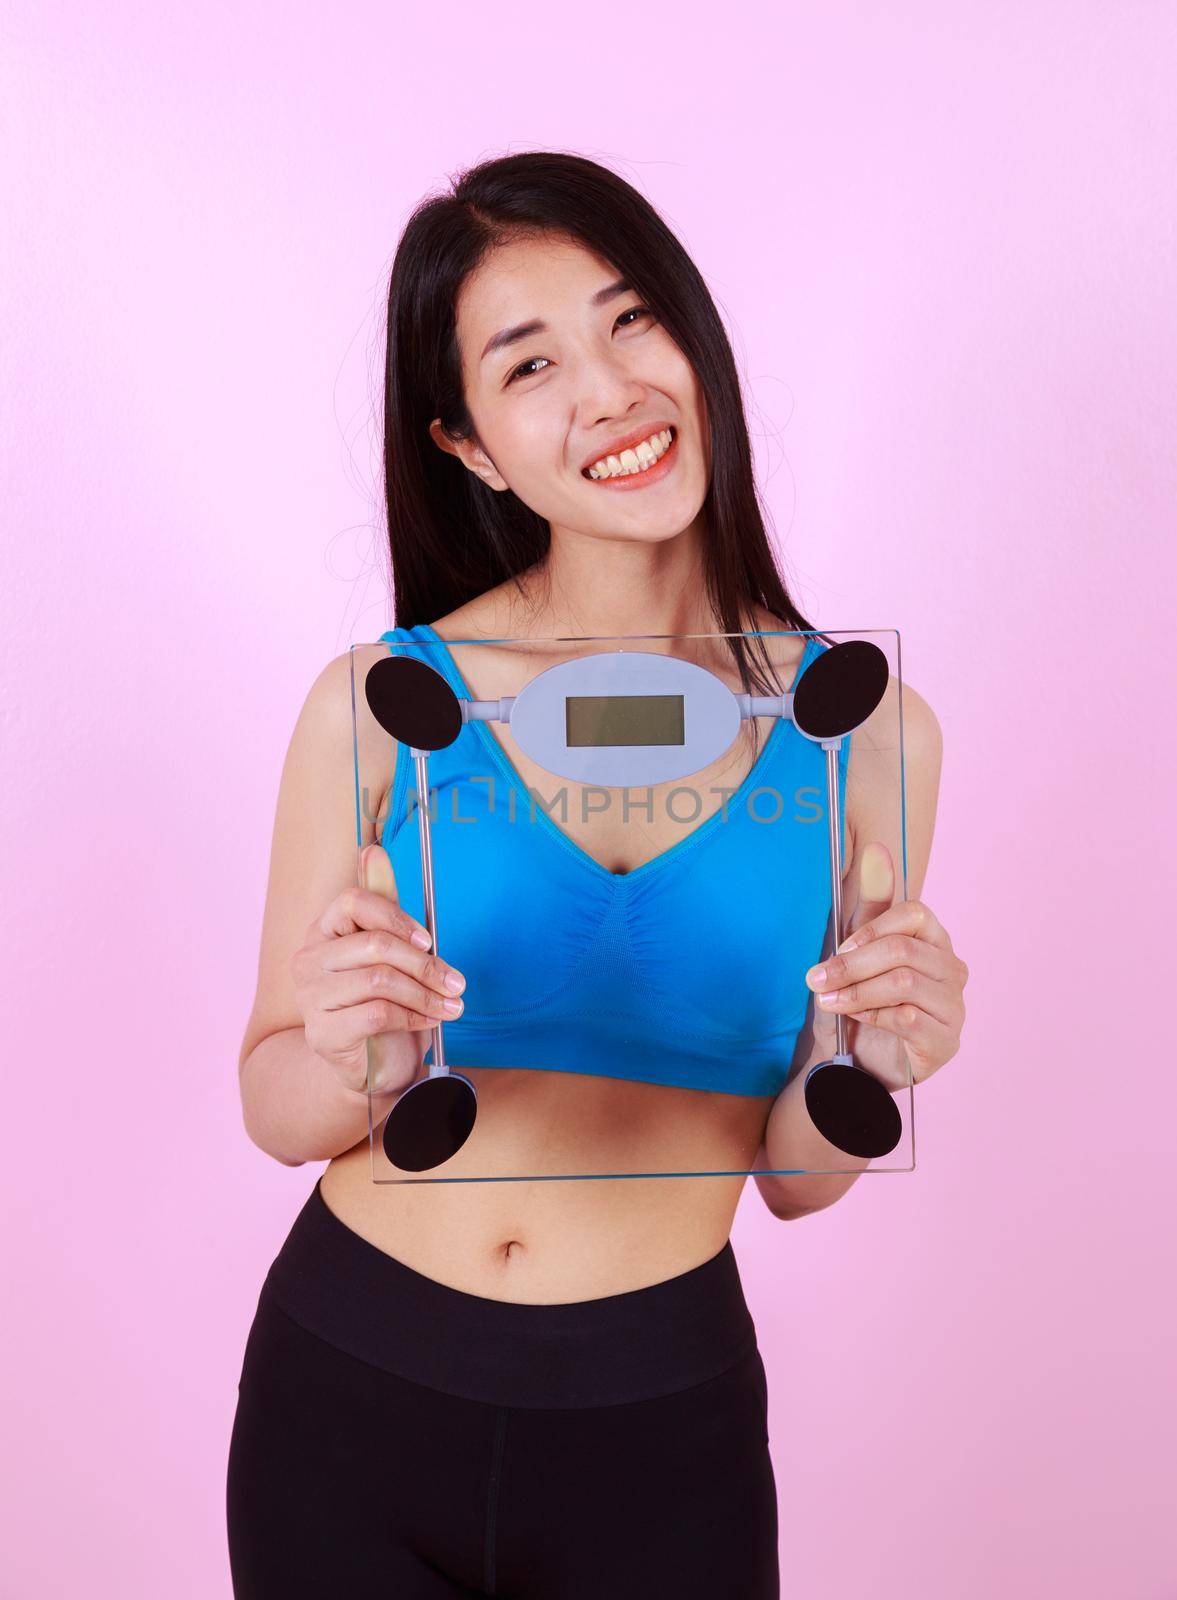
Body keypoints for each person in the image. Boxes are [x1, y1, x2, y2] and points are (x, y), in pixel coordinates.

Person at [226, 151, 969, 1598]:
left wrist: (873, 1067)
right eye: (530, 363)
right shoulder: (383, 702)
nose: (610, 390)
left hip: (656, 1415)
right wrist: (351, 1047)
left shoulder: (862, 728)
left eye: (632, 320)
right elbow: (272, 1103)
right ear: (470, 448)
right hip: (353, 1384)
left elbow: (795, 1181)